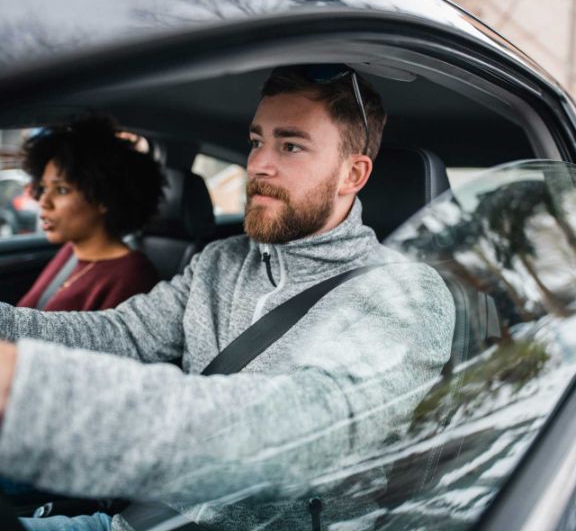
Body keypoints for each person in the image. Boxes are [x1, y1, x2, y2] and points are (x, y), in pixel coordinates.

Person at [0, 65, 455, 531]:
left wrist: (29, 387)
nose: (257, 164)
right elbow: (121, 335)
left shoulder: (404, 293)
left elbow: (302, 429)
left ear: (351, 174)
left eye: (291, 145)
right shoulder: (221, 261)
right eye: (257, 140)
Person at [16, 115, 165, 311]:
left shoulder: (133, 276)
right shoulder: (71, 251)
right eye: (43, 188)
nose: (44, 202)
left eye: (61, 190)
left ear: (103, 198)